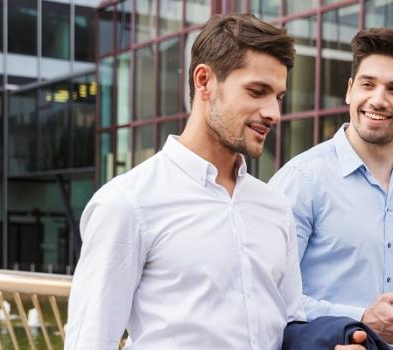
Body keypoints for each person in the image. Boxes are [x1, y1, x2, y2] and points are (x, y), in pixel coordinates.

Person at [65, 14, 365, 349]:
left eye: (278, 97)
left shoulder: (275, 207)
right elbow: (89, 340)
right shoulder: (127, 203)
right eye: (257, 91)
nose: (273, 113)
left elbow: (288, 327)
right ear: (204, 80)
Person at [269, 28, 393, 349]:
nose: (377, 99)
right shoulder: (302, 180)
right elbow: (268, 296)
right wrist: (361, 317)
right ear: (350, 90)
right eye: (368, 84)